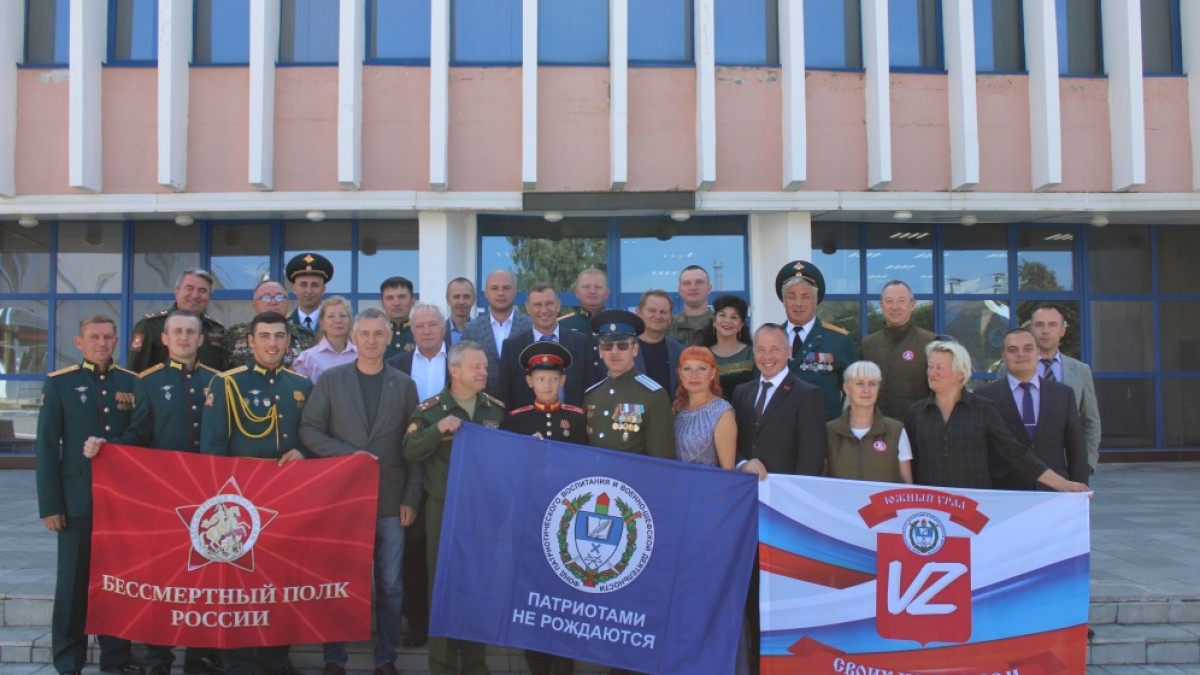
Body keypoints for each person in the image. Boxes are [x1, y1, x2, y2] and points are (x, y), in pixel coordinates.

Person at [82, 310, 222, 675]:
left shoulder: (218, 381)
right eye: (177, 332)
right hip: (166, 496)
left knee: (206, 577)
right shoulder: (147, 382)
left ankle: (200, 656)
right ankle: (160, 659)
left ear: (200, 339)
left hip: (209, 494)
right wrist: (108, 447)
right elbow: (139, 432)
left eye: (190, 332)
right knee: (166, 577)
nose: (184, 337)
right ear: (165, 339)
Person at [299, 308, 422, 675]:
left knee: (391, 584)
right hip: (344, 499)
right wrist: (348, 455)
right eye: (364, 333)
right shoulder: (332, 380)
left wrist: (411, 498)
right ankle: (334, 659)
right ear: (353, 338)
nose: (371, 340)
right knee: (340, 581)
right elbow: (309, 429)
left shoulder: (404, 384)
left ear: (389, 338)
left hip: (390, 501)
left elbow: (413, 447)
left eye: (378, 334)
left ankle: (386, 658)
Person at [201, 311, 311, 675]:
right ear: (250, 342)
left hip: (286, 498)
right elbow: (213, 448)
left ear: (288, 341)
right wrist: (220, 504)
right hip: (240, 502)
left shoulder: (301, 385)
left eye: (279, 336)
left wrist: (304, 452)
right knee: (240, 582)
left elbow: (311, 436)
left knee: (280, 579)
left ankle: (276, 658)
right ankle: (239, 661)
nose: (272, 344)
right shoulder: (227, 383)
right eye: (264, 336)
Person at [36, 315, 144, 675]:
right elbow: (46, 447)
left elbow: (140, 434)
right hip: (77, 500)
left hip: (120, 501)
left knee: (117, 582)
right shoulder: (60, 383)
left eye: (108, 337)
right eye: (94, 337)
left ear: (116, 341)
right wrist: (50, 504)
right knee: (72, 585)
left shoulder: (131, 382)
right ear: (79, 342)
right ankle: (69, 661)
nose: (102, 343)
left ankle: (116, 659)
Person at [403, 341, 505, 675]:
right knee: (443, 589)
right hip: (444, 512)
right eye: (476, 367)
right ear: (455, 369)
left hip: (483, 514)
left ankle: (475, 664)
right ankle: (443, 665)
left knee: (477, 587)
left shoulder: (494, 410)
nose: (483, 372)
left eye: (485, 366)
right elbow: (410, 450)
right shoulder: (431, 411)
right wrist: (437, 430)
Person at [731, 324, 826, 673]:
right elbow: (733, 443)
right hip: (746, 511)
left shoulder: (807, 394)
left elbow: (811, 459)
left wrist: (794, 511)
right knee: (751, 592)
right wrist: (742, 462)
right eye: (760, 349)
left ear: (789, 352)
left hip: (785, 515)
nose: (767, 356)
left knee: (782, 595)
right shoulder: (741, 392)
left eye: (774, 349)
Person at [905, 340, 1090, 493]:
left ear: (961, 372)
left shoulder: (982, 408)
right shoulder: (916, 413)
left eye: (940, 368)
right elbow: (909, 464)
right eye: (930, 367)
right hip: (931, 510)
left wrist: (1063, 485)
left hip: (974, 508)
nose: (932, 373)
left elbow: (1015, 453)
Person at [501, 341, 584, 675]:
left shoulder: (576, 418)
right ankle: (536, 661)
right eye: (540, 378)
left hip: (568, 519)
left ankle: (564, 662)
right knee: (531, 588)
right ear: (529, 381)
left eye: (553, 378)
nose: (547, 384)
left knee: (566, 588)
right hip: (530, 519)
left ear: (563, 381)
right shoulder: (516, 420)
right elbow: (506, 469)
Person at [669, 346, 746, 675]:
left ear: (714, 373)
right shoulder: (675, 410)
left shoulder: (722, 412)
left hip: (708, 518)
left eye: (702, 368)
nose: (695, 375)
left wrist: (716, 523)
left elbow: (727, 474)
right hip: (677, 517)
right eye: (688, 368)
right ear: (680, 374)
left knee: (709, 594)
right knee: (681, 596)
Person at [384, 302, 449, 648]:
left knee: (449, 547)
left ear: (444, 327)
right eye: (419, 326)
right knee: (413, 548)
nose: (426, 331)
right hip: (410, 464)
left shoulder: (461, 361)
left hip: (451, 466)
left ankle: (449, 620)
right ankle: (418, 622)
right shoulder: (396, 365)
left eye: (432, 325)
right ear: (411, 330)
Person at [977, 329, 1089, 490]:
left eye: (1028, 348)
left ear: (1038, 352)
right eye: (1012, 350)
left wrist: (1081, 491)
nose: (1020, 354)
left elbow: (1076, 446)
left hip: (1055, 490)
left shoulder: (1063, 394)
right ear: (1003, 356)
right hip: (1005, 491)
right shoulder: (984, 396)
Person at [997, 302, 1101, 473]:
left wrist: (1087, 462)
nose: (1045, 331)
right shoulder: (1008, 367)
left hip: (1064, 466)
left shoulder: (1080, 371)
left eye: (1052, 325)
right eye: (1039, 325)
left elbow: (1091, 421)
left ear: (1062, 330)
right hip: (1017, 465)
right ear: (1031, 329)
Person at [584, 310, 674, 459]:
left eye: (622, 346)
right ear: (600, 351)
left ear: (635, 349)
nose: (614, 352)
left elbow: (662, 458)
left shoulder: (654, 395)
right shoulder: (592, 394)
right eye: (607, 346)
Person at [775, 260, 858, 420]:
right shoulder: (771, 338)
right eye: (791, 297)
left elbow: (854, 389)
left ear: (815, 301)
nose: (798, 304)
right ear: (784, 302)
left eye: (805, 297)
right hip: (779, 427)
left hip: (823, 428)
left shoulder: (838, 340)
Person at [496, 283, 594, 409]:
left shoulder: (580, 343)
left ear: (558, 305)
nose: (544, 310)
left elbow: (589, 390)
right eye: (537, 305)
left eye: (549, 303)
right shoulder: (512, 347)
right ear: (528, 308)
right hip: (525, 421)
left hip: (572, 420)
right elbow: (504, 395)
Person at [859, 280, 937, 419]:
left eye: (901, 301)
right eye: (889, 301)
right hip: (877, 427)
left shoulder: (930, 343)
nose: (895, 307)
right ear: (881, 305)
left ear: (912, 304)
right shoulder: (868, 345)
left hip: (917, 426)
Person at [826, 360, 913, 484]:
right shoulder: (829, 431)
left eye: (872, 384)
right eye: (860, 383)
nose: (866, 390)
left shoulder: (896, 431)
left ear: (878, 388)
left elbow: (907, 484)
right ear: (847, 388)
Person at [128, 267, 225, 372]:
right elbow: (134, 372)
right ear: (177, 291)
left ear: (209, 296)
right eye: (189, 288)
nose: (195, 295)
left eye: (202, 291)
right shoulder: (150, 325)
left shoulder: (216, 329)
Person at [461, 269, 532, 399]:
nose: (500, 293)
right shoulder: (471, 330)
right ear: (486, 293)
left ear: (514, 292)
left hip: (523, 404)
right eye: (494, 288)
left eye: (506, 288)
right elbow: (465, 372)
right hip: (482, 405)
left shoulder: (530, 326)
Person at [224, 279, 317, 370]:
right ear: (254, 305)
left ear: (288, 303)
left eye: (279, 297)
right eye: (266, 298)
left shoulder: (307, 337)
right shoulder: (233, 335)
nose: (273, 302)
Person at [699, 295, 756, 401]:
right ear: (714, 321)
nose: (727, 321)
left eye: (734, 317)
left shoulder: (752, 354)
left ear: (741, 325)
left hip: (746, 410)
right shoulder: (702, 355)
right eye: (722, 315)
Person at [292, 295, 357, 382]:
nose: (338, 321)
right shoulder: (308, 358)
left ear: (350, 321)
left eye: (343, 316)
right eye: (331, 316)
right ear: (322, 323)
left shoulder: (361, 355)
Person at [558, 268, 609, 377]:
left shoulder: (618, 324)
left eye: (598, 287)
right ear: (577, 293)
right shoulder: (562, 325)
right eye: (586, 287)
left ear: (607, 293)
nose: (592, 291)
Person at [633, 290, 684, 394]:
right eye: (652, 310)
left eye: (663, 312)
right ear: (639, 312)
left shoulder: (681, 352)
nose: (657, 316)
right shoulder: (622, 350)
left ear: (670, 318)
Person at [285, 252, 334, 332]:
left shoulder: (335, 323)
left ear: (323, 289)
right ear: (294, 288)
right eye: (303, 285)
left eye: (314, 285)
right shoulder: (284, 324)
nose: (309, 291)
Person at [668, 265, 714, 346]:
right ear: (680, 290)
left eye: (699, 282)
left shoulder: (721, 325)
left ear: (709, 288)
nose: (693, 287)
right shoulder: (668, 326)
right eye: (687, 283)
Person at [381, 276, 417, 359]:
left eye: (402, 297)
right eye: (390, 298)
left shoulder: (421, 332)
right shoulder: (375, 334)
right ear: (382, 304)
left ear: (412, 301)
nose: (396, 303)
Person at [445, 277, 476, 346]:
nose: (461, 302)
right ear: (448, 300)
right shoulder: (440, 332)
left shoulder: (482, 330)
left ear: (474, 300)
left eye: (466, 297)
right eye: (456, 297)